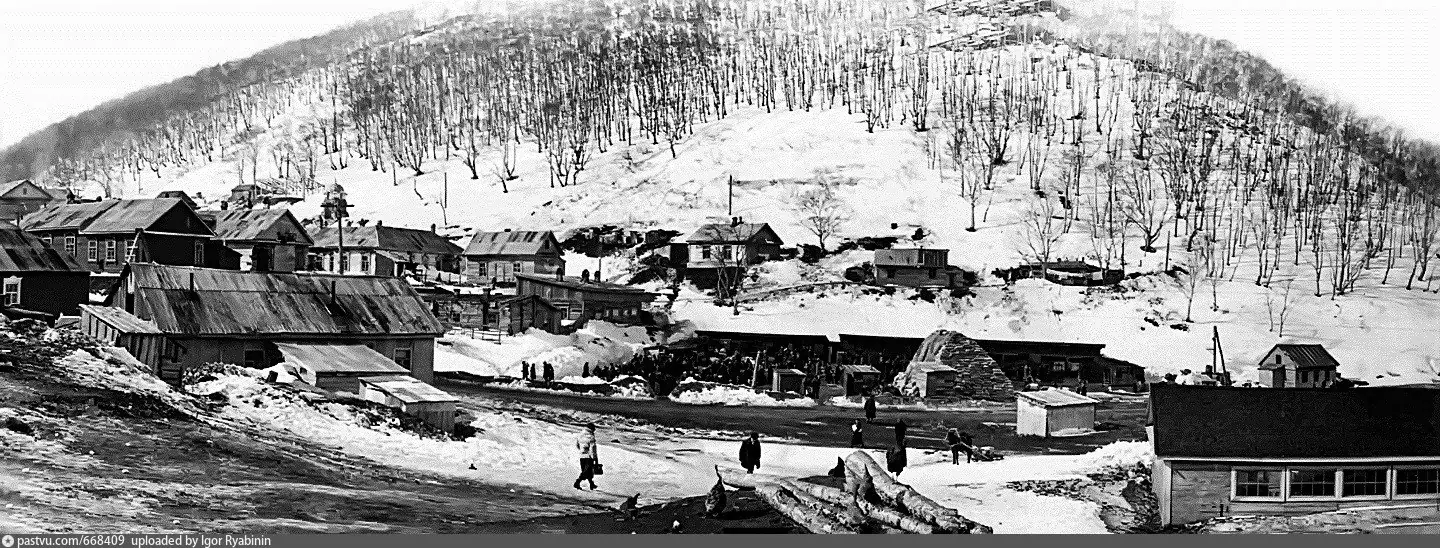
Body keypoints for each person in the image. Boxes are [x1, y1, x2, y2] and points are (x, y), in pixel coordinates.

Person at [574, 423, 599, 490]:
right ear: (592, 429)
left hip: (582, 455)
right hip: (589, 456)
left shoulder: (580, 435)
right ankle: (577, 482)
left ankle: (591, 484)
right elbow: (593, 448)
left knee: (587, 471)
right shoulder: (591, 436)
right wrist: (595, 458)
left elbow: (577, 445)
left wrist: (582, 450)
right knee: (586, 472)